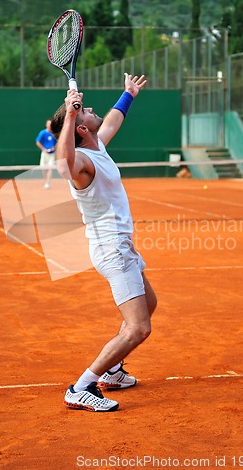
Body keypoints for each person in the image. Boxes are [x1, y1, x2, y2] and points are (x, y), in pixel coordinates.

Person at [50, 73, 157, 412]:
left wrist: (128, 94)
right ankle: (81, 387)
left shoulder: (97, 147)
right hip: (112, 248)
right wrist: (69, 113)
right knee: (139, 328)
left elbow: (111, 120)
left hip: (121, 245)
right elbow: (63, 166)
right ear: (81, 128)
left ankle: (112, 371)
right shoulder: (80, 163)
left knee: (149, 303)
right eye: (85, 113)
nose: (91, 109)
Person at [35, 119, 57, 188]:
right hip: (45, 154)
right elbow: (37, 142)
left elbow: (58, 142)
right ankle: (46, 180)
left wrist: (54, 148)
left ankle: (48, 183)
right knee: (43, 168)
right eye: (48, 124)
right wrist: (44, 149)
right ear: (46, 125)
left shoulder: (54, 134)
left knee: (50, 168)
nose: (49, 125)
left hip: (52, 154)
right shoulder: (43, 133)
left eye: (50, 124)